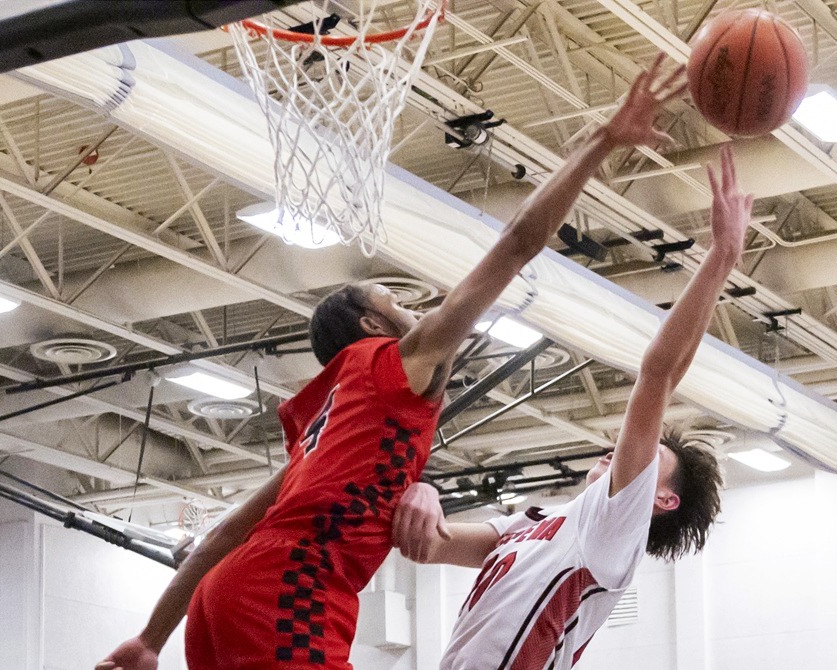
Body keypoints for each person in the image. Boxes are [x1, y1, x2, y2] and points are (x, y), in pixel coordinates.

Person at [96, 54, 686, 670]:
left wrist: (151, 638)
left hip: (227, 594)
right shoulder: (400, 361)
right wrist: (601, 142)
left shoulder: (319, 424)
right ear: (374, 327)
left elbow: (223, 535)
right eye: (395, 299)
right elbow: (515, 245)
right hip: (291, 593)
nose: (415, 305)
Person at [392, 144, 750, 670]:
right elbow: (428, 544)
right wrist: (419, 492)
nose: (617, 453)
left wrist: (720, 260)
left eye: (647, 462)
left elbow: (659, 374)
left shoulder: (613, 529)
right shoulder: (538, 524)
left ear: (662, 501)